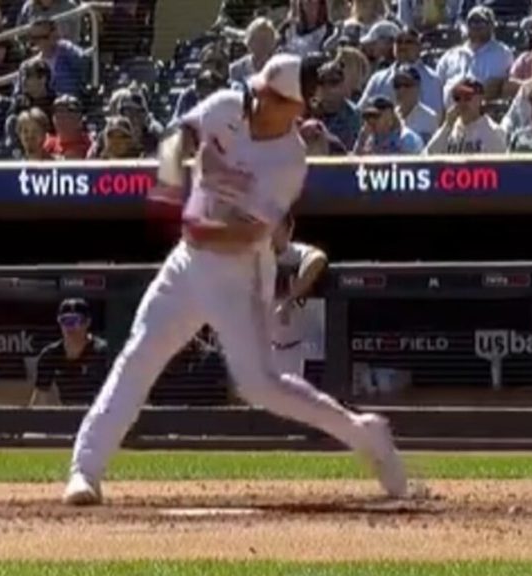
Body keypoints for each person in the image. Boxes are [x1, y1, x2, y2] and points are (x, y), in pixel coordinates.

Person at [63, 53, 407, 506]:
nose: (258, 97)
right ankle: (85, 470)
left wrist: (200, 229)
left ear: (294, 108)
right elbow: (176, 137)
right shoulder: (228, 105)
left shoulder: (289, 161)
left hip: (240, 271)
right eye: (261, 89)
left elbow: (252, 232)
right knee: (139, 354)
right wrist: (169, 183)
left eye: (272, 96)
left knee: (259, 385)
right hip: (188, 262)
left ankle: (364, 435)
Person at [272, 213, 328, 378]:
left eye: (276, 227)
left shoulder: (297, 253)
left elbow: (318, 259)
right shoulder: (257, 256)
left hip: (302, 347)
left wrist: (289, 300)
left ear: (289, 230)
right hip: (270, 346)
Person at [29, 298, 109, 406]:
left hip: (99, 414)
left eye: (76, 321)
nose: (70, 328)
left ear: (87, 322)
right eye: (66, 321)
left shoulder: (102, 353)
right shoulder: (49, 356)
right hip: (66, 414)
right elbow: (39, 396)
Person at [425, 78, 507, 154]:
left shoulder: (493, 132)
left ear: (480, 99)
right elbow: (430, 153)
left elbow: (501, 166)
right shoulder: (450, 128)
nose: (462, 102)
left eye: (467, 97)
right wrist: (447, 125)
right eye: (457, 98)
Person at [353, 94, 424, 154]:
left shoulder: (407, 139)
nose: (371, 121)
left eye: (375, 116)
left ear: (389, 115)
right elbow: (354, 164)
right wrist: (362, 138)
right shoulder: (370, 139)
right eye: (368, 117)